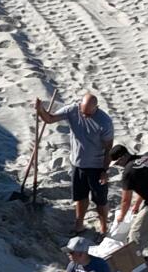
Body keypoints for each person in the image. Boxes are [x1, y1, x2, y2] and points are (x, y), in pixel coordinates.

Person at [37, 92, 114, 236]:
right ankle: (79, 225)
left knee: (100, 201)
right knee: (80, 196)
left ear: (96, 108)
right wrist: (40, 110)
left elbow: (109, 148)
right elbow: (49, 119)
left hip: (96, 166)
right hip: (78, 164)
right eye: (83, 112)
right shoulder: (72, 110)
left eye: (88, 114)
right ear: (80, 106)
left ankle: (104, 229)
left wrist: (105, 170)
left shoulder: (105, 122)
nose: (84, 116)